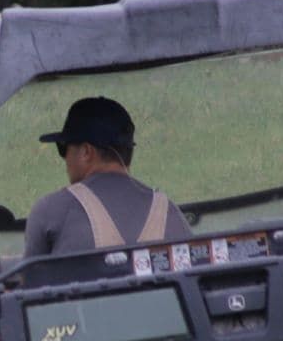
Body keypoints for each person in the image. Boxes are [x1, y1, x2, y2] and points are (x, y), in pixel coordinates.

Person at [24, 96, 190, 257]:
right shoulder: (169, 211)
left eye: (63, 149)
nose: (65, 158)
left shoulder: (50, 211)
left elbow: (29, 282)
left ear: (86, 152)